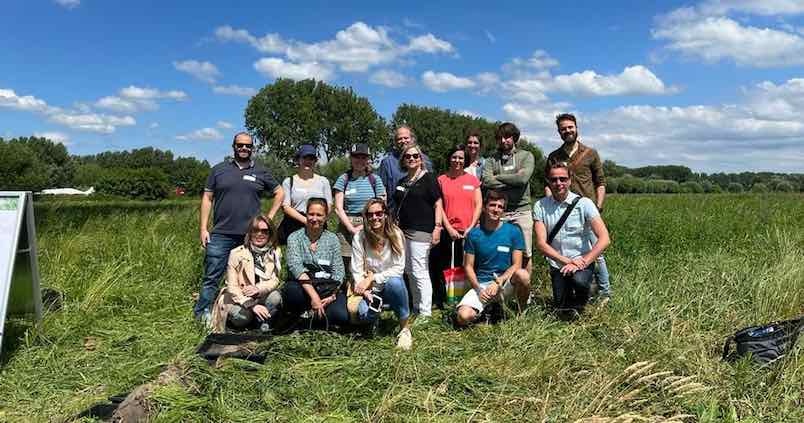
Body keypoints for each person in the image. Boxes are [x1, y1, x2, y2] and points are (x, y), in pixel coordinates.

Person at [195, 132, 284, 323]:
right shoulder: (218, 170)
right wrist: (203, 228)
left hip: (250, 236)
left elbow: (280, 192)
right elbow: (207, 198)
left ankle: (249, 315)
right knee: (212, 276)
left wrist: (268, 218)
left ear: (253, 148)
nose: (244, 148)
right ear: (233, 146)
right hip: (221, 234)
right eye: (240, 145)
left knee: (252, 279)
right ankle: (202, 315)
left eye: (248, 146)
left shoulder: (261, 172)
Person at [545, 113, 611, 301]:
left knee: (596, 254)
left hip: (586, 211)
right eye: (563, 128)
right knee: (563, 250)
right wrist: (551, 207)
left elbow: (600, 182)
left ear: (576, 128)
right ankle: (577, 292)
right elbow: (548, 183)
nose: (567, 131)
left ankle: (605, 292)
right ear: (559, 132)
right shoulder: (554, 156)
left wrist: (598, 206)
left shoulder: (590, 153)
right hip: (561, 212)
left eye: (570, 127)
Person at [534, 162, 610, 315]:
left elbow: (604, 238)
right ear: (548, 181)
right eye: (554, 179)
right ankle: (571, 292)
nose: (558, 183)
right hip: (558, 264)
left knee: (580, 283)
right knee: (562, 309)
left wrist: (582, 262)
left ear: (570, 180)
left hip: (582, 261)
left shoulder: (585, 204)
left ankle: (589, 287)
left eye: (563, 179)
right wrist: (567, 262)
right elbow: (541, 244)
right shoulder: (540, 206)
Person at [456, 190, 531, 326]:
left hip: (505, 283)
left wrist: (499, 282)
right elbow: (468, 266)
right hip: (482, 285)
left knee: (523, 275)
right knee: (463, 317)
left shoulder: (513, 231)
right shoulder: (474, 234)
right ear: (484, 207)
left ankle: (521, 313)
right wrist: (479, 289)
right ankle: (485, 315)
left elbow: (517, 265)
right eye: (492, 205)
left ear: (503, 210)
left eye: (500, 207)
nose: (496, 210)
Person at [351, 198, 413, 350]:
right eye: (370, 214)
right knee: (362, 313)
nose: (375, 218)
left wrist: (373, 277)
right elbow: (356, 269)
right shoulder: (360, 237)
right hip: (370, 289)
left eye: (379, 213)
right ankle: (373, 321)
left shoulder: (396, 234)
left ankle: (405, 328)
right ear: (366, 217)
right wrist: (365, 290)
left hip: (389, 284)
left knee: (396, 282)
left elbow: (398, 268)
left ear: (385, 214)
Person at [391, 143, 444, 321]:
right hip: (402, 232)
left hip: (422, 231)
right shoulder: (402, 182)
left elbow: (438, 204)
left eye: (415, 156)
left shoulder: (429, 179)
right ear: (403, 160)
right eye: (408, 156)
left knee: (420, 270)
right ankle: (416, 307)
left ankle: (426, 312)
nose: (412, 159)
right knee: (409, 271)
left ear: (421, 159)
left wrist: (438, 227)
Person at [210, 215, 282, 333]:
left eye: (264, 231)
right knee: (242, 318)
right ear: (250, 233)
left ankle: (262, 321)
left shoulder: (275, 253)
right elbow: (232, 286)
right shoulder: (236, 253)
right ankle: (244, 321)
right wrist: (252, 305)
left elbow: (275, 280)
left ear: (270, 234)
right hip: (240, 298)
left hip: (261, 294)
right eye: (255, 230)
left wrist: (258, 288)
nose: (259, 234)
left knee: (275, 297)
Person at [283, 198, 349, 326]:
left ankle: (311, 318)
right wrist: (314, 297)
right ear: (306, 215)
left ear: (326, 217)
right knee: (292, 293)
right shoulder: (294, 238)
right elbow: (296, 267)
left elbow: (339, 271)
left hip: (326, 286)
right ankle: (304, 316)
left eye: (319, 215)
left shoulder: (332, 239)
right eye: (311, 214)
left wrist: (332, 295)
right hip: (302, 286)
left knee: (341, 316)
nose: (314, 218)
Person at [481, 122, 535, 273]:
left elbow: (523, 179)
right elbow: (486, 180)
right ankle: (501, 290)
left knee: (525, 254)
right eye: (500, 138)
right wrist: (513, 179)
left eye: (507, 137)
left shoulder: (526, 156)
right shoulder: (492, 159)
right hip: (500, 212)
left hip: (522, 211)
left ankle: (525, 292)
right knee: (499, 251)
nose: (504, 141)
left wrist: (498, 177)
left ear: (514, 138)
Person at [433, 145, 482, 308]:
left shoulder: (473, 181)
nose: (457, 160)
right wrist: (449, 228)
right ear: (449, 158)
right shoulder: (441, 180)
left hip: (470, 231)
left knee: (467, 266)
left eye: (461, 158)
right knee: (446, 266)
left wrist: (471, 226)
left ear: (465, 160)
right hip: (449, 231)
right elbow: (439, 206)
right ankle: (447, 300)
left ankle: (465, 299)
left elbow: (478, 205)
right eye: (454, 157)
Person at [333, 143, 385, 282]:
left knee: (369, 260)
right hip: (346, 225)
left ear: (368, 159)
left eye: (363, 157)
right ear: (351, 158)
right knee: (345, 261)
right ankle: (344, 294)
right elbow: (338, 208)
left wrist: (364, 226)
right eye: (356, 156)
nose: (360, 160)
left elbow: (381, 206)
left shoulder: (375, 179)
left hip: (370, 223)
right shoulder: (343, 179)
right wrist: (351, 229)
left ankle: (368, 292)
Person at [278, 144, 333, 244]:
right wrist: (306, 221)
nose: (308, 161)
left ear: (315, 161)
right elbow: (286, 207)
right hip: (294, 225)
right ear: (298, 160)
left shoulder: (323, 181)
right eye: (305, 158)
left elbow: (329, 205)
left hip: (318, 225)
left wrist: (317, 220)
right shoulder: (289, 181)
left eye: (311, 158)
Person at [378, 125, 433, 211]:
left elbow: (432, 189)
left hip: (422, 213)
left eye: (406, 138)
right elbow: (382, 192)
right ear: (395, 142)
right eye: (399, 139)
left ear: (412, 139)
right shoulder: (387, 163)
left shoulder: (424, 159)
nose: (403, 141)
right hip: (395, 214)